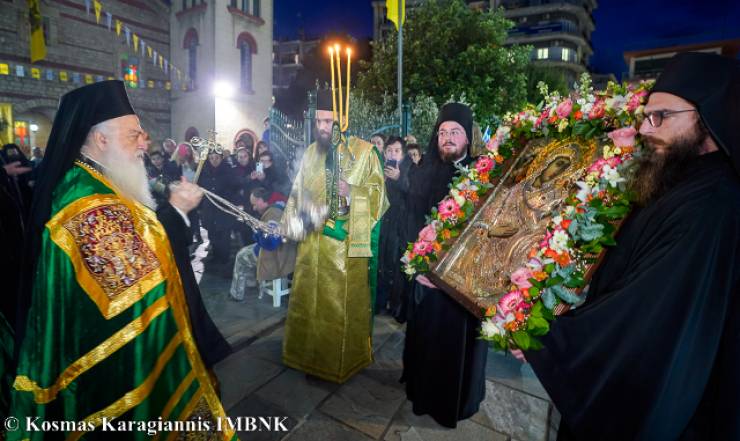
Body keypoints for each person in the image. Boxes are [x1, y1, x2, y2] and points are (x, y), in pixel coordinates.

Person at [512, 52, 740, 441]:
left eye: (661, 117)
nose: (647, 129)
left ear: (707, 120)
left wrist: (547, 338)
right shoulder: (675, 180)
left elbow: (648, 314)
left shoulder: (712, 202)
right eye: (645, 117)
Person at [7, 81, 233, 440]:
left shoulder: (99, 178)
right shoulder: (85, 202)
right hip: (110, 372)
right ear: (101, 140)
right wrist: (175, 213)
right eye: (134, 135)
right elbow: (140, 281)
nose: (145, 142)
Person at [282, 89, 388, 383]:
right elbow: (296, 193)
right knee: (307, 303)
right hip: (311, 245)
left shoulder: (365, 152)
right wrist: (290, 224)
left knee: (336, 308)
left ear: (341, 120)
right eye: (318, 122)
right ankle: (306, 356)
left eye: (328, 122)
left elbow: (379, 196)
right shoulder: (310, 153)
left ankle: (338, 362)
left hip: (343, 250)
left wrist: (352, 193)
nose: (322, 127)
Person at [401, 103, 488, 428]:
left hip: (463, 283)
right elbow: (411, 220)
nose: (447, 138)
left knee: (458, 346)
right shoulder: (424, 169)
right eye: (442, 133)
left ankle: (458, 401)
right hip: (427, 281)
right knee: (427, 340)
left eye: (454, 132)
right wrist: (419, 266)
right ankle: (422, 395)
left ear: (468, 137)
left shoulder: (483, 172)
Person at [229, 187, 297, 302]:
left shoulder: (272, 215)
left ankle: (236, 294)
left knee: (241, 256)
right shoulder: (280, 205)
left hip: (276, 257)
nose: (254, 208)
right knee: (246, 251)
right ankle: (251, 281)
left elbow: (270, 244)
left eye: (255, 204)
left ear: (261, 200)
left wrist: (256, 233)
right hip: (288, 252)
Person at [377, 136, 411, 319]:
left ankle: (396, 304)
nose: (393, 154)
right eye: (389, 151)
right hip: (384, 223)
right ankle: (380, 301)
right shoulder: (378, 170)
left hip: (400, 226)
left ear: (403, 154)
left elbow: (412, 192)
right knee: (382, 261)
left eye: (397, 151)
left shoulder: (410, 170)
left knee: (396, 264)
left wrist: (398, 178)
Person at [199, 148, 237, 269]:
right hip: (209, 207)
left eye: (217, 158)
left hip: (223, 207)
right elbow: (200, 186)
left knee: (224, 234)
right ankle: (216, 256)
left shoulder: (228, 171)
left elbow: (234, 186)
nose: (214, 160)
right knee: (212, 233)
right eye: (211, 158)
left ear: (221, 158)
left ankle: (224, 259)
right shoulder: (203, 171)